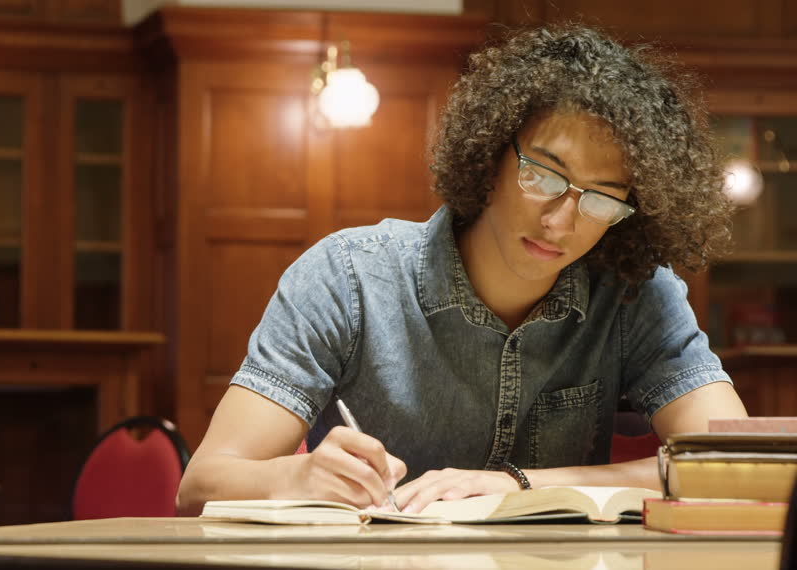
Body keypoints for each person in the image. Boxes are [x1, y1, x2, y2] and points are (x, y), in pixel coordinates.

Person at [175, 23, 748, 517]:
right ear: (492, 153)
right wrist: (297, 477)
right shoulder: (347, 278)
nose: (561, 221)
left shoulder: (635, 295)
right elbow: (199, 485)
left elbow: (734, 468)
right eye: (543, 175)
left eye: (600, 198)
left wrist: (518, 486)